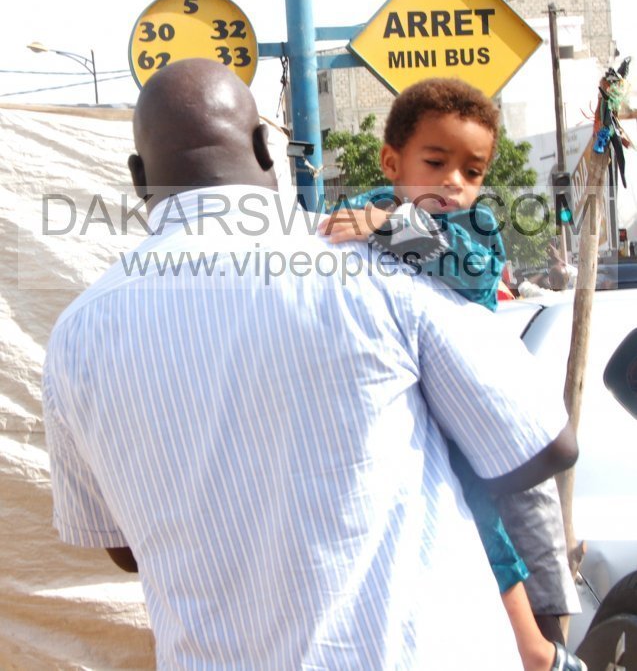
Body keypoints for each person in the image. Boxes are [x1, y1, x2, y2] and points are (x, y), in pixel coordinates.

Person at [42, 59, 578, 670]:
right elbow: (547, 445)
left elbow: (123, 549)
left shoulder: (76, 338)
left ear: (139, 180)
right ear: (265, 152)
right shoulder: (373, 269)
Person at [319, 77, 583, 671]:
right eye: (436, 162)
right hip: (404, 410)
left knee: (490, 526)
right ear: (392, 161)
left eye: (473, 171)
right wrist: (360, 223)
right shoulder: (366, 209)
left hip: (470, 409)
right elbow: (330, 237)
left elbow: (472, 271)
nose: (454, 183)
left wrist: (382, 228)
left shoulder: (474, 227)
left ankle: (535, 649)